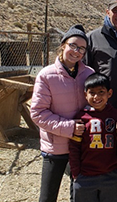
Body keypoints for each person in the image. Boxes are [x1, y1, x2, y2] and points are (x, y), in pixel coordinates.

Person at [31, 24, 95, 202]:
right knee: (48, 196)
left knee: (79, 193)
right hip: (55, 147)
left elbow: (95, 105)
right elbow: (37, 113)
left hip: (81, 144)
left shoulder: (89, 74)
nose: (77, 51)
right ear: (63, 45)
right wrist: (69, 127)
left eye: (82, 48)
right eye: (73, 46)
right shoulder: (46, 75)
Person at [69, 73, 117, 202]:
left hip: (111, 176)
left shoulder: (116, 116)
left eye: (101, 92)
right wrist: (76, 173)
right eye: (92, 93)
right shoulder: (81, 117)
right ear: (85, 95)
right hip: (86, 177)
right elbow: (74, 147)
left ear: (109, 93)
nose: (96, 97)